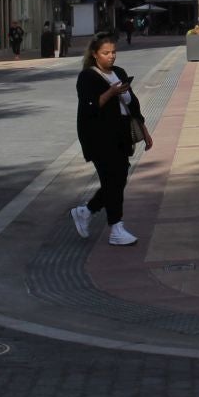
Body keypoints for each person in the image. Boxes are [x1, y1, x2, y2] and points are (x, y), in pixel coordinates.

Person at [70, 32, 153, 246]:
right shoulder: (87, 77)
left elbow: (132, 104)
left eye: (114, 52)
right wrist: (111, 92)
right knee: (112, 181)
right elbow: (91, 106)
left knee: (119, 178)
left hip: (121, 135)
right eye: (106, 53)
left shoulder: (119, 72)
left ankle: (86, 211)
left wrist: (144, 130)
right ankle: (116, 228)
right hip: (99, 137)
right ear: (95, 54)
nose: (111, 57)